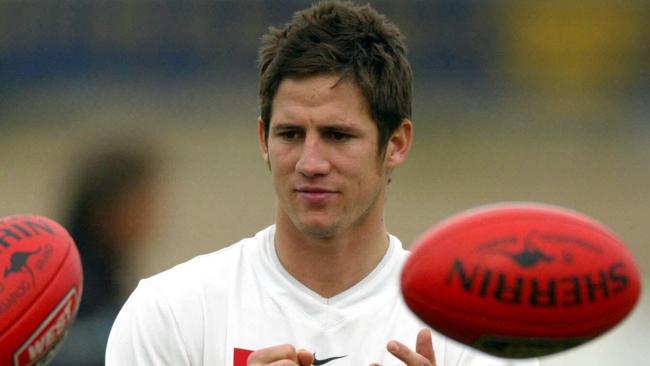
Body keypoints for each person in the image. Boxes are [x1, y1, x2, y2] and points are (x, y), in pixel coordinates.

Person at [106, 2, 538, 365]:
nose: (310, 163)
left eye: (338, 136)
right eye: (291, 134)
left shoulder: (473, 336)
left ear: (396, 144)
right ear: (263, 140)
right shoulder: (171, 312)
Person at [52, 142, 160, 366]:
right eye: (141, 203)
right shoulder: (69, 278)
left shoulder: (106, 265)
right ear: (107, 210)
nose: (153, 215)